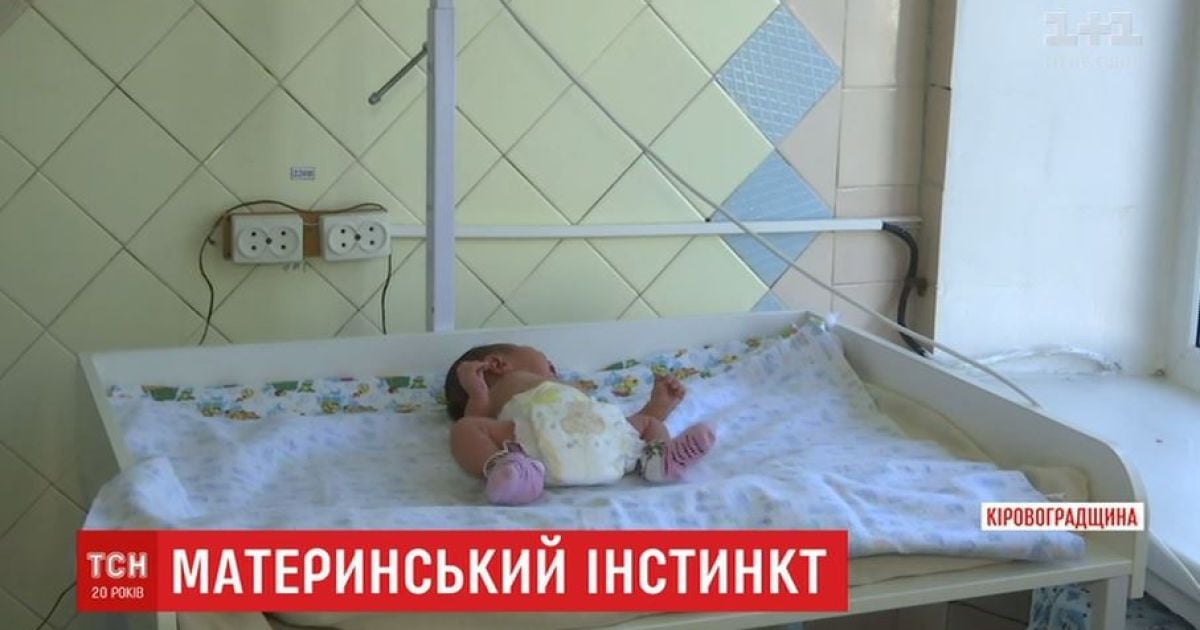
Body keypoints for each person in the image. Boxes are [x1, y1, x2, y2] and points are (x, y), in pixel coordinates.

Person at [444, 344, 716, 505]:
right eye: (546, 360)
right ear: (497, 364)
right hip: (532, 438)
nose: (554, 368)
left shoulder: (569, 387)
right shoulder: (503, 387)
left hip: (601, 437)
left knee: (646, 423)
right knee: (464, 429)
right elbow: (475, 421)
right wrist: (478, 393)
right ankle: (511, 473)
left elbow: (619, 426)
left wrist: (657, 407)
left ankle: (659, 459)